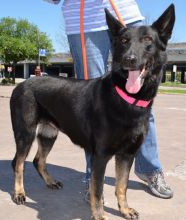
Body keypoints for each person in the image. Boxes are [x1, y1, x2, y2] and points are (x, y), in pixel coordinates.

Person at [43, 0, 173, 201]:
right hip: (82, 20)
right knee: (90, 106)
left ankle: (149, 169)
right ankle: (93, 177)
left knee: (142, 102)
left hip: (124, 10)